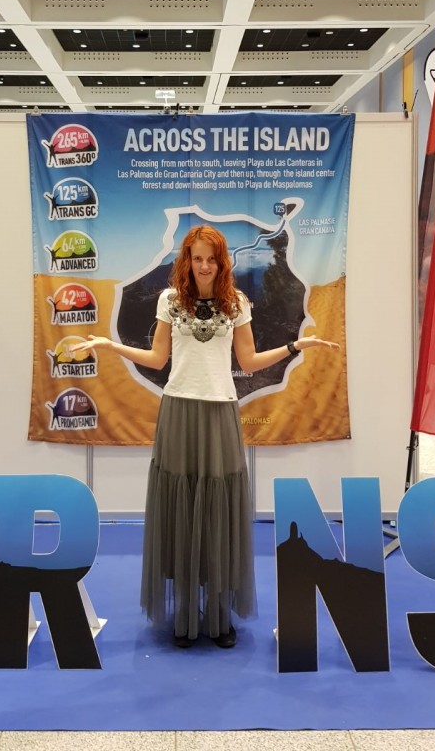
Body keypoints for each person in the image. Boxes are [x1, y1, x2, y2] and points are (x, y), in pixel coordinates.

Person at [75, 224, 339, 649]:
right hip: (178, 409)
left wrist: (295, 347)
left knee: (218, 505)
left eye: (211, 259)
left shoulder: (236, 303)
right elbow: (157, 358)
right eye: (197, 258)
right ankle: (183, 609)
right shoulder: (169, 300)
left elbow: (249, 361)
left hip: (220, 410)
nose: (203, 266)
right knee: (180, 503)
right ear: (187, 260)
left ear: (221, 262)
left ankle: (218, 611)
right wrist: (111, 346)